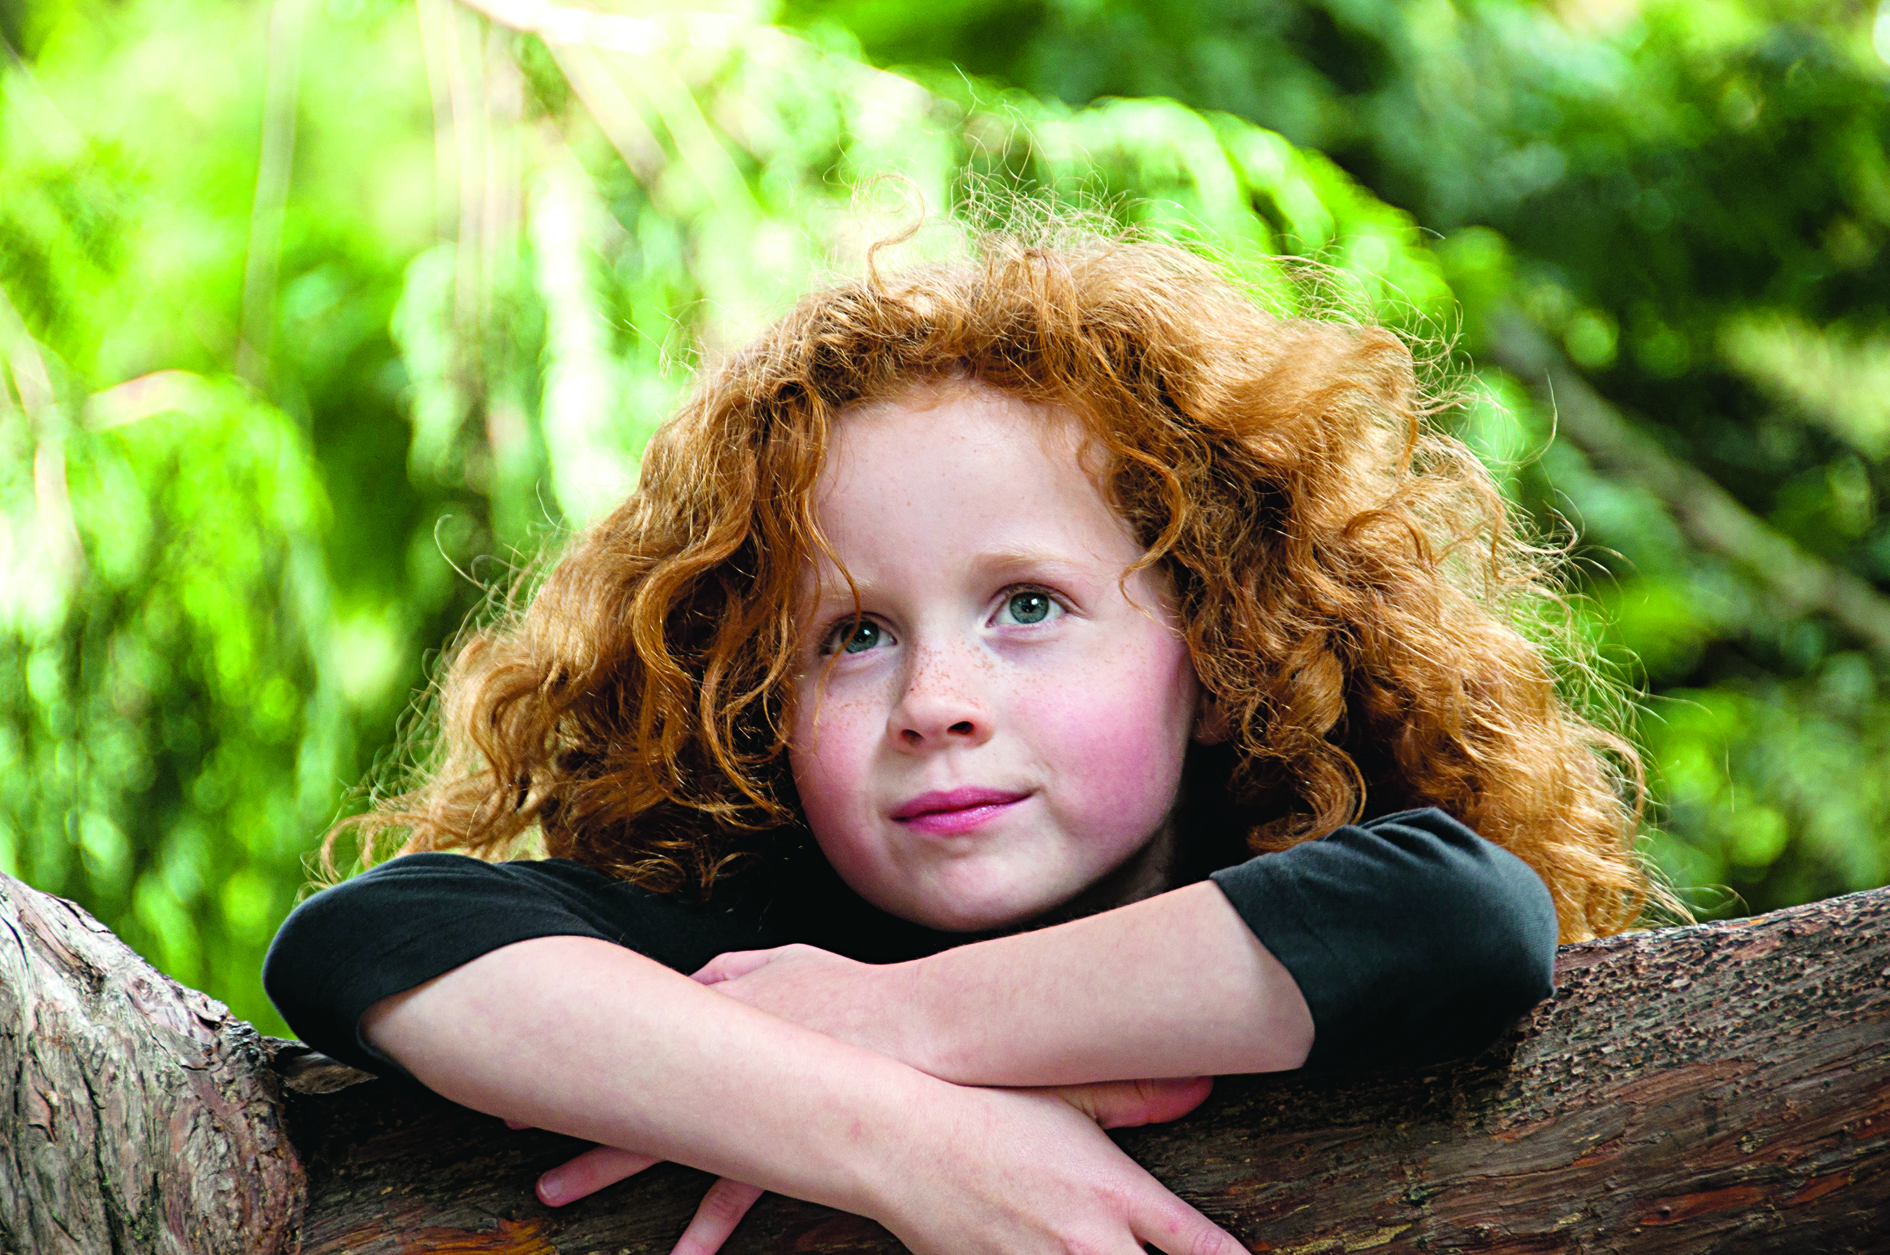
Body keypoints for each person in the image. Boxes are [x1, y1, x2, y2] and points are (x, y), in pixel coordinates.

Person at [264, 229, 1655, 1255]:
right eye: (852, 634)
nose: (934, 698)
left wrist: (889, 1017)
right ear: (758, 699)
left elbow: (1467, 914)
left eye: (1029, 606)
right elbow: (369, 935)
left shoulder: (790, 1000)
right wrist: (903, 1135)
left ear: (1223, 651)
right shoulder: (748, 959)